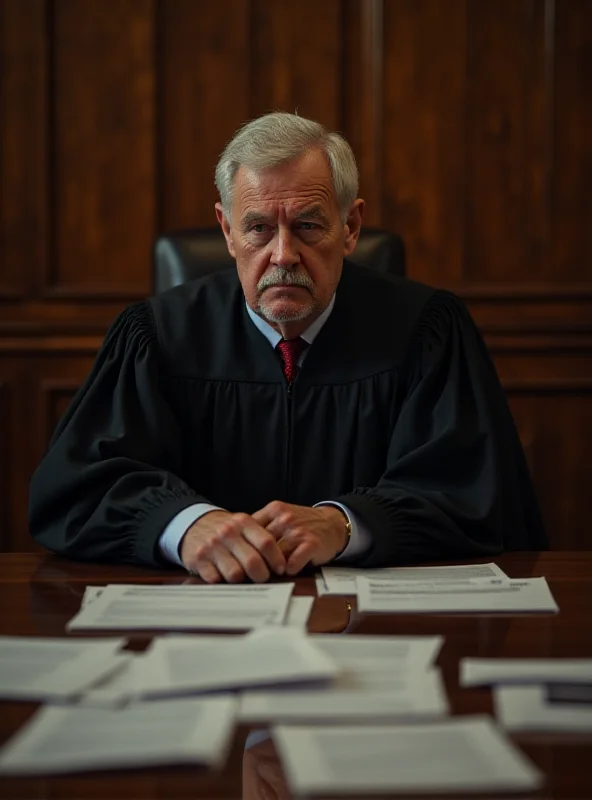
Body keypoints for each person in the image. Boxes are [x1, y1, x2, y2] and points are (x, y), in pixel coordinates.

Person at [29, 112, 547, 582]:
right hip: (202, 623)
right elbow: (76, 487)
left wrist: (345, 523)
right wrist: (183, 525)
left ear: (351, 227)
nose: (283, 254)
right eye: (257, 228)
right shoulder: (156, 335)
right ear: (227, 231)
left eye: (307, 225)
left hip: (372, 630)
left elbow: (476, 493)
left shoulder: (428, 331)